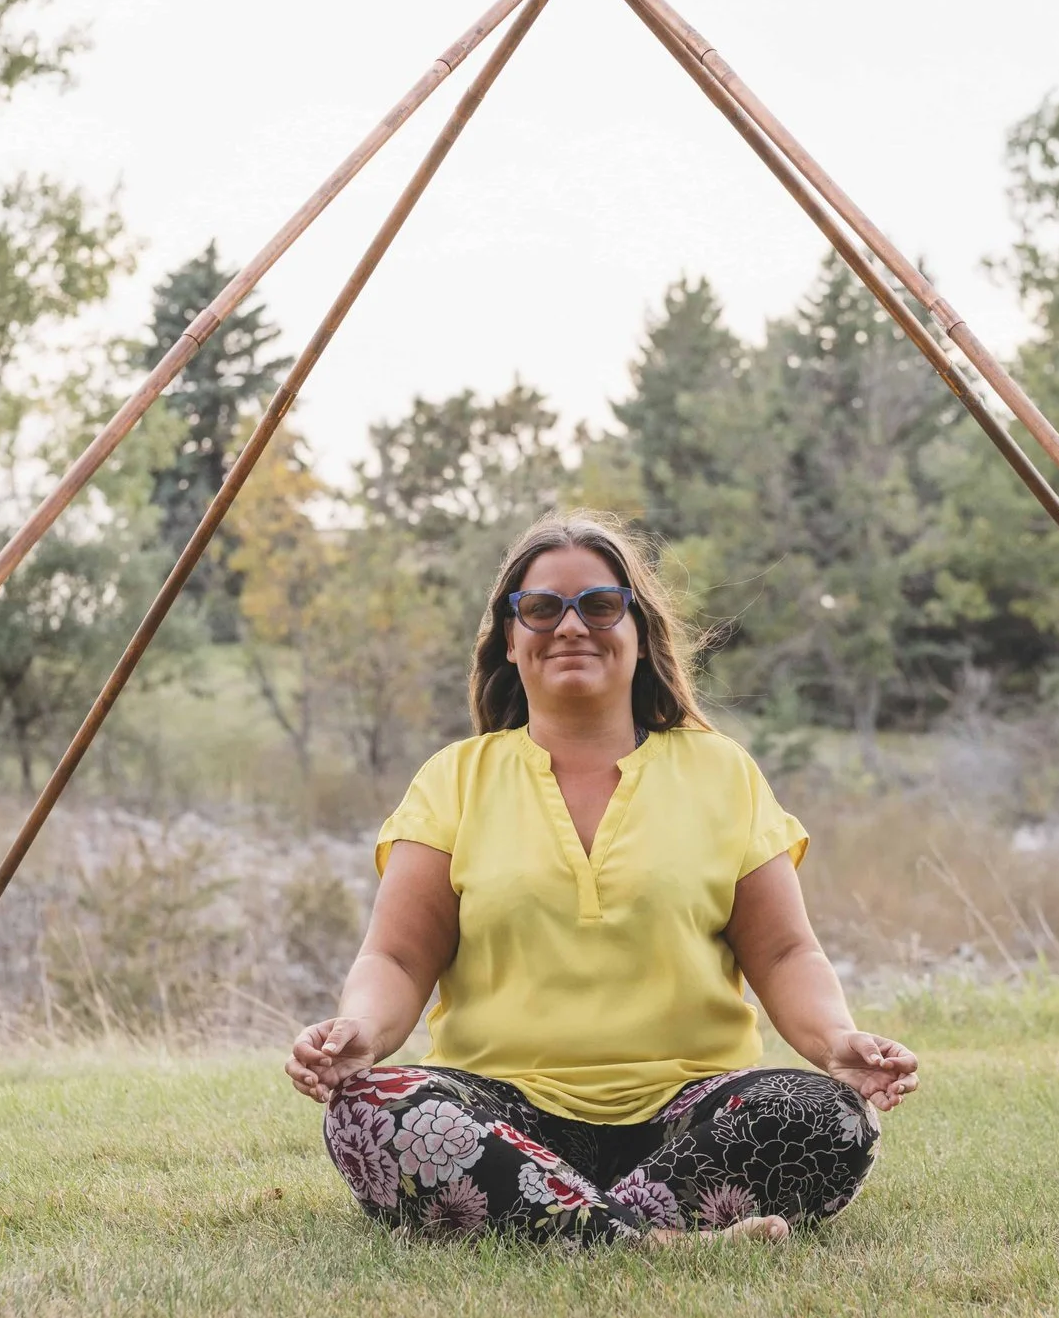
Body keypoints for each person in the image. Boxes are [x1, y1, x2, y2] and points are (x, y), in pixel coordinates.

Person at [286, 510, 918, 1244]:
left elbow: (784, 953)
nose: (571, 626)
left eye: (600, 604)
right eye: (542, 608)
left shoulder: (722, 772)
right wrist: (361, 1031)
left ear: (639, 632)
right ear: (511, 639)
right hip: (500, 1116)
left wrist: (837, 1041)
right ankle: (650, 1241)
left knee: (831, 1117)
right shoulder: (453, 778)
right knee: (371, 1109)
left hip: (687, 1120)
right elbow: (397, 957)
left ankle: (563, 1228)